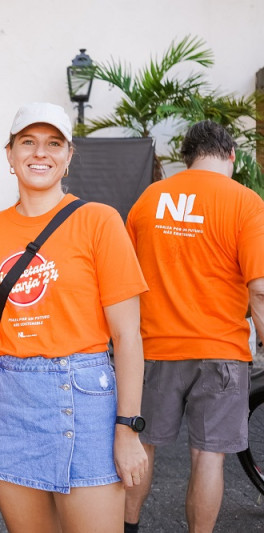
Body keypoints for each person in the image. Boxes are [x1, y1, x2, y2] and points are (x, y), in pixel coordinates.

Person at [0, 102, 149, 532]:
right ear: (10, 155)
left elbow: (128, 336)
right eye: (28, 142)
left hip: (83, 400)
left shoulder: (99, 221)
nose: (40, 153)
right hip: (7, 402)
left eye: (53, 144)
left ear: (67, 157)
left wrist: (128, 429)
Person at [123, 120, 264, 533]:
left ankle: (127, 527)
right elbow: (259, 290)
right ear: (232, 156)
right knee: (208, 457)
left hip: (154, 350)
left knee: (141, 445)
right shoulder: (246, 202)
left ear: (187, 157)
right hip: (221, 351)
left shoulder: (149, 200)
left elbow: (125, 278)